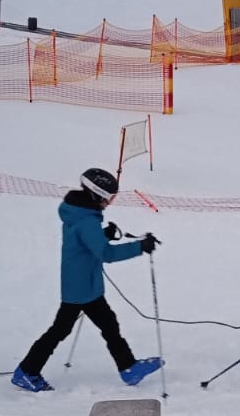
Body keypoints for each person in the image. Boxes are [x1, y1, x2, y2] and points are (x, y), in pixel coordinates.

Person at [11, 168, 162, 392]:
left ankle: (128, 367)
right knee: (61, 330)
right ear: (96, 195)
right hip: (80, 288)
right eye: (109, 198)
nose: (110, 203)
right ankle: (26, 371)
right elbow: (106, 254)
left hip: (84, 284)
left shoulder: (79, 213)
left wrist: (103, 235)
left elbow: (85, 243)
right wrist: (140, 246)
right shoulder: (86, 221)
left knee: (109, 324)